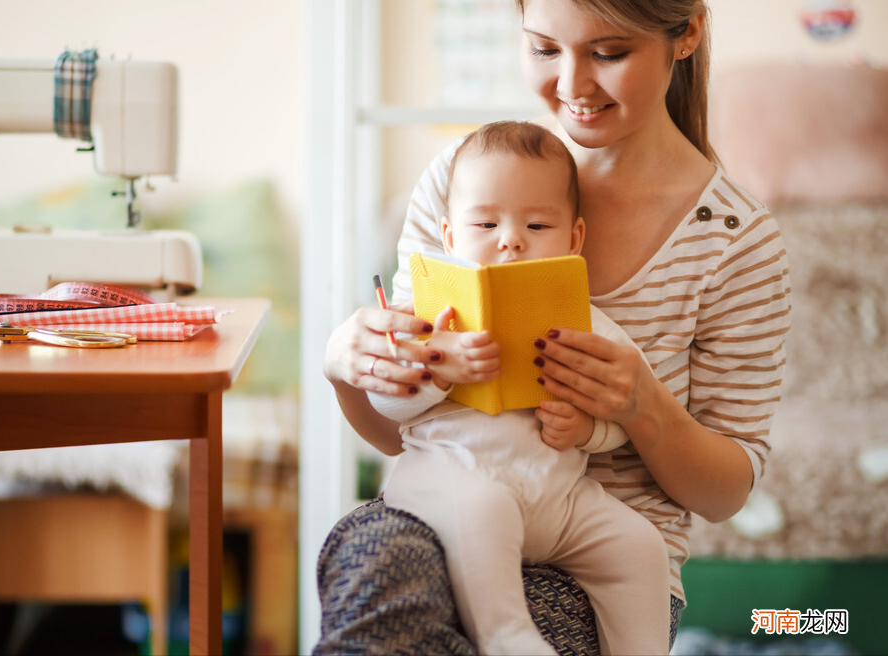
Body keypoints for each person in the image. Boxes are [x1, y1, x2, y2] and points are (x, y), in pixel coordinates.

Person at [317, 0, 791, 653]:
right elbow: (399, 435)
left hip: (583, 552)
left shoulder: (736, 243)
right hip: (452, 500)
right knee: (369, 564)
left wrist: (640, 408)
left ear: (685, 33)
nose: (571, 85)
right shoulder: (466, 180)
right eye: (543, 48)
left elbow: (725, 493)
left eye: (608, 52)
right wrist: (348, 371)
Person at [369, 120, 671, 656]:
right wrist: (436, 369)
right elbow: (385, 402)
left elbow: (624, 410)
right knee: (484, 509)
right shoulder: (425, 315)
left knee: (638, 546)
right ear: (449, 238)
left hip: (559, 504)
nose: (510, 239)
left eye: (536, 224)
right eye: (485, 223)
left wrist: (589, 429)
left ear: (573, 239)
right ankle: (509, 638)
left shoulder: (585, 322)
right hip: (450, 485)